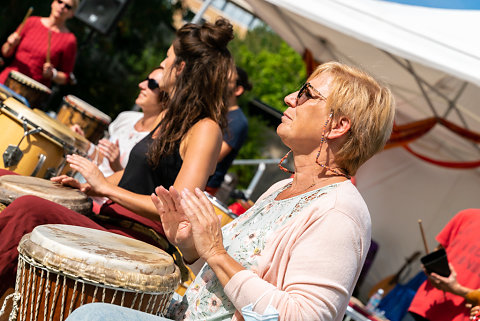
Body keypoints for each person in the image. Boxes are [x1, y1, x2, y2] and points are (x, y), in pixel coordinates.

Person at [66, 61, 396, 321]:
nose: (290, 99)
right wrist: (191, 246)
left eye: (307, 94)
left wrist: (216, 252)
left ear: (337, 126)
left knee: (90, 315)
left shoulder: (340, 213)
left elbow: (302, 317)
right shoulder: (283, 188)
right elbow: (223, 287)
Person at [0, 18, 235, 298]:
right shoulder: (172, 117)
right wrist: (87, 187)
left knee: (29, 210)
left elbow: (179, 208)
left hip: (138, 240)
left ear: (181, 68)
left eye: (167, 58)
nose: (163, 63)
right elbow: (135, 174)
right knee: (4, 178)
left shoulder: (205, 130)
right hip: (110, 220)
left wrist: (105, 187)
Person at [405, 209, 480, 321]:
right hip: (425, 305)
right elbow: (438, 251)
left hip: (458, 316)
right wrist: (431, 267)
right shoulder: (466, 216)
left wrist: (456, 289)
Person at [0, 0, 78, 87]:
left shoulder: (69, 40)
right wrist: (10, 44)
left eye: (68, 6)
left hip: (33, 92)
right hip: (6, 80)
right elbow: (6, 53)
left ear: (72, 14)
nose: (62, 6)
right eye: (60, 2)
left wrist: (53, 74)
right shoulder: (31, 22)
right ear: (53, 3)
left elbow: (66, 77)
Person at [205, 66, 250, 195]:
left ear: (238, 90)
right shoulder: (212, 110)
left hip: (205, 186)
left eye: (226, 79)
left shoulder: (238, 122)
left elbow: (213, 157)